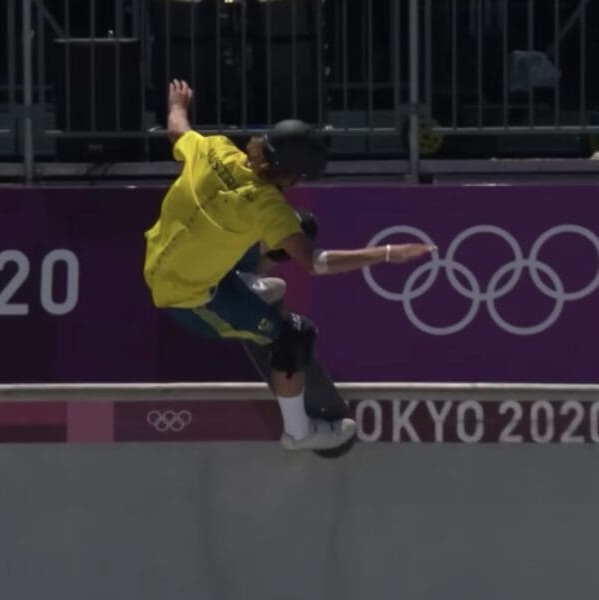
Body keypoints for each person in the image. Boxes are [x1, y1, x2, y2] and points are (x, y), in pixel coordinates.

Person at [144, 80, 435, 451]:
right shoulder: (268, 207)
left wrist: (177, 103)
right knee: (293, 336)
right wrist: (389, 253)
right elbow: (315, 264)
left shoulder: (214, 149)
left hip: (163, 256)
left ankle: (246, 279)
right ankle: (298, 432)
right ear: (292, 175)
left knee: (302, 226)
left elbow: (176, 130)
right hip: (187, 297)